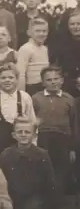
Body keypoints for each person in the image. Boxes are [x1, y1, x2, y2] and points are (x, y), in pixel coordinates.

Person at [0, 117, 58, 209]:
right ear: (13, 135)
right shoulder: (6, 155)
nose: (23, 135)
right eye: (19, 132)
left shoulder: (42, 155)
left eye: (27, 132)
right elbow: (1, 181)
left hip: (35, 199)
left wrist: (49, 207)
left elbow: (50, 183)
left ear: (34, 135)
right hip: (12, 198)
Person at [32, 65, 78, 195]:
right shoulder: (36, 98)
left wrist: (72, 148)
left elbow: (74, 124)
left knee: (61, 170)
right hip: (43, 138)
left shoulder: (69, 99)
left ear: (62, 80)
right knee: (44, 168)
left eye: (56, 79)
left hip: (63, 139)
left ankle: (59, 202)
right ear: (43, 82)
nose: (53, 82)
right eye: (49, 79)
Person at [0, 63, 37, 164]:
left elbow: (32, 122)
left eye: (11, 77)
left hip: (21, 143)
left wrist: (33, 143)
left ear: (17, 79)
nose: (7, 80)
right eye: (3, 78)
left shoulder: (25, 97)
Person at [16, 17, 49, 95]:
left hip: (44, 87)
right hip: (31, 88)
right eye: (37, 31)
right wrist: (22, 94)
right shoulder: (25, 49)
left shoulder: (45, 49)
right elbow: (21, 74)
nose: (41, 34)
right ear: (29, 33)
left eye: (44, 31)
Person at [51, 12, 80, 97]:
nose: (76, 27)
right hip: (68, 83)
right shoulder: (61, 43)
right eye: (72, 24)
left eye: (79, 24)